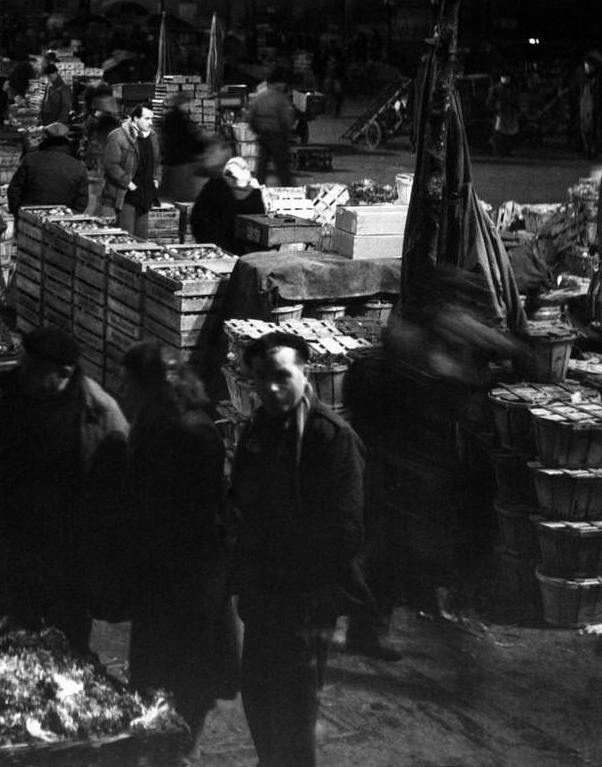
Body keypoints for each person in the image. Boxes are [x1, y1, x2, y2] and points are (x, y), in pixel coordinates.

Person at [230, 331, 368, 767]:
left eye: (281, 377)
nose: (270, 389)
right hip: (261, 597)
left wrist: (302, 584)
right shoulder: (261, 428)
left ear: (304, 374)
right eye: (259, 379)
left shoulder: (330, 438)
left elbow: (345, 531)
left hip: (303, 605)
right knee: (258, 700)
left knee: (292, 718)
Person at [0, 327, 129, 654]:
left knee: (65, 636)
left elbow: (120, 486)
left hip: (67, 549)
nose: (23, 372)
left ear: (62, 374)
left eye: (33, 369)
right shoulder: (12, 395)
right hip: (13, 541)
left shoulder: (99, 411)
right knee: (9, 629)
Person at [121, 341, 238, 749]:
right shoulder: (162, 420)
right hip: (169, 568)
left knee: (184, 666)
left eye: (129, 382)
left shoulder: (187, 431)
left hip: (188, 571)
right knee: (162, 663)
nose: (124, 390)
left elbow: (189, 508)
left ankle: (177, 747)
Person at [102, 104, 162, 237]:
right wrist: (129, 183)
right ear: (135, 118)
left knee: (142, 237)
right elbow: (111, 164)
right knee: (126, 235)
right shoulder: (118, 136)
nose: (150, 122)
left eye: (151, 119)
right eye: (147, 119)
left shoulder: (152, 137)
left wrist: (156, 179)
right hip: (125, 195)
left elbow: (157, 162)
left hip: (146, 194)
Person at [7, 122, 89, 217]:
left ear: (45, 139)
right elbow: (81, 201)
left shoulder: (30, 160)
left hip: (29, 217)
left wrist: (18, 212)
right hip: (61, 218)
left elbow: (14, 189)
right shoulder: (78, 166)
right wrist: (69, 215)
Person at [190, 155, 267, 254]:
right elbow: (198, 218)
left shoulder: (255, 195)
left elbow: (259, 225)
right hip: (217, 248)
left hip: (236, 250)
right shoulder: (215, 187)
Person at [247, 67, 297, 188]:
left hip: (262, 134)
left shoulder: (259, 96)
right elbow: (286, 118)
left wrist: (256, 130)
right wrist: (288, 134)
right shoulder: (280, 98)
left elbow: (251, 116)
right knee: (283, 168)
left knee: (262, 167)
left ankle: (258, 190)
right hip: (277, 135)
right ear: (279, 83)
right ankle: (289, 191)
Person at [157, 92, 209, 203]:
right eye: (188, 103)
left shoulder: (169, 118)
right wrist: (202, 148)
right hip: (182, 164)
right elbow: (188, 141)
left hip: (170, 163)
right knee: (183, 198)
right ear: (183, 103)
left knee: (167, 197)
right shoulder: (180, 119)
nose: (190, 106)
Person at [80, 83, 120, 210]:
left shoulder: (91, 116)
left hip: (95, 163)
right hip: (101, 163)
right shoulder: (104, 118)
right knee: (97, 198)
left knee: (94, 197)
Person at [485, 72, 521, 156]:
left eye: (507, 77)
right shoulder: (495, 89)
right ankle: (497, 151)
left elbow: (515, 101)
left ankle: (507, 150)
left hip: (510, 114)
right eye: (504, 77)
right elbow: (489, 102)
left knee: (510, 133)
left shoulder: (513, 89)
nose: (505, 79)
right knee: (498, 133)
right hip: (499, 114)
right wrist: (495, 108)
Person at [39, 62, 73, 128]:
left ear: (56, 73)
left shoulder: (63, 88)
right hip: (47, 121)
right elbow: (46, 100)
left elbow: (66, 108)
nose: (48, 78)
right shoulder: (49, 85)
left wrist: (59, 123)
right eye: (47, 76)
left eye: (50, 76)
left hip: (56, 123)